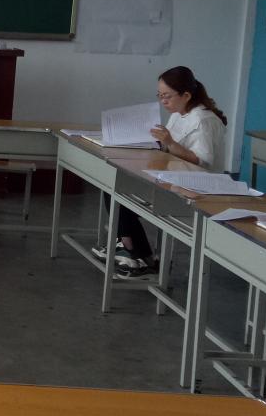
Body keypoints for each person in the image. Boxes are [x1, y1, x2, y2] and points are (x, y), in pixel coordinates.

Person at [96, 65, 228, 277]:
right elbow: (169, 147)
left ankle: (133, 250)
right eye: (160, 95)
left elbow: (201, 161)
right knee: (115, 184)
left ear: (186, 95)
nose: (163, 101)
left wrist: (170, 143)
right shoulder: (178, 114)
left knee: (121, 190)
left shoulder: (203, 120)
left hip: (198, 187)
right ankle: (136, 252)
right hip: (175, 177)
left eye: (167, 96)